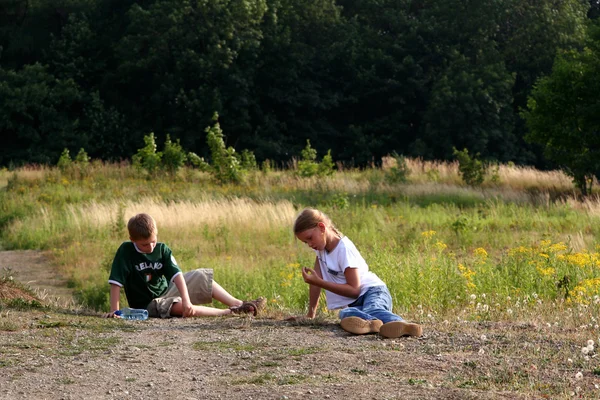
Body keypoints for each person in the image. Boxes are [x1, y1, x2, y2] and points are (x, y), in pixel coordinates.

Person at [293, 208, 422, 339]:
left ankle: (405, 326)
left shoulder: (343, 249)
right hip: (355, 303)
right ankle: (373, 324)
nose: (309, 244)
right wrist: (311, 314)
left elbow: (354, 290)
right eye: (305, 242)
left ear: (321, 227)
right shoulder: (321, 250)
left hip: (373, 291)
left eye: (310, 238)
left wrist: (320, 282)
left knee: (372, 310)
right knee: (346, 313)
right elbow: (316, 282)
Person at [105, 213, 265, 318]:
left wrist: (187, 299)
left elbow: (177, 276)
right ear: (133, 240)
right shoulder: (125, 251)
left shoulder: (162, 250)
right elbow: (115, 284)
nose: (151, 247)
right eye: (145, 244)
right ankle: (229, 313)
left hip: (166, 291)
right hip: (148, 304)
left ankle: (239, 304)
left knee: (201, 276)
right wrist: (115, 312)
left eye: (153, 241)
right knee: (179, 307)